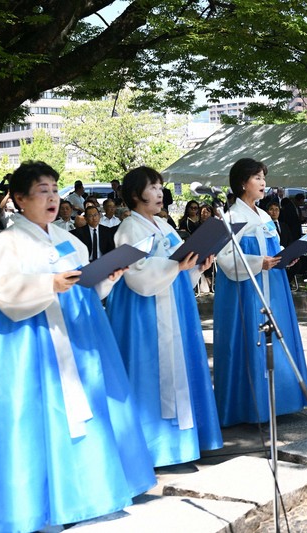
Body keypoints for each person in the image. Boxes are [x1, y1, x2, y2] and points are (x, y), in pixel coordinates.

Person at [0, 161, 156, 532]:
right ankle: (39, 503)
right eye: (43, 191)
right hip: (33, 344)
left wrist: (108, 277)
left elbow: (87, 288)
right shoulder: (5, 243)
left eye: (55, 190)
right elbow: (6, 294)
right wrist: (49, 285)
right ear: (20, 199)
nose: (53, 197)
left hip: (79, 337)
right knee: (40, 417)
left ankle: (91, 491)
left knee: (88, 410)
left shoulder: (68, 240)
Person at [105, 166, 222, 467]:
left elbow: (179, 263)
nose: (160, 192)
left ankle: (181, 446)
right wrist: (176, 267)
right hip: (145, 313)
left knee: (180, 371)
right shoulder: (129, 229)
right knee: (151, 376)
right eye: (152, 187)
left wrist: (199, 266)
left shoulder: (164, 226)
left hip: (174, 304)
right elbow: (137, 275)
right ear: (135, 195)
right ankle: (156, 450)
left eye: (160, 186)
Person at [213, 158, 307, 425]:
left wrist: (285, 257)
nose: (263, 182)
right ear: (242, 183)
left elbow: (274, 247)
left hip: (274, 285)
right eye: (257, 177)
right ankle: (248, 404)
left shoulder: (265, 216)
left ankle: (281, 400)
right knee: (251, 339)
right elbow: (225, 259)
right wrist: (260, 262)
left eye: (263, 177)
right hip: (248, 289)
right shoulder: (232, 217)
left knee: (277, 338)